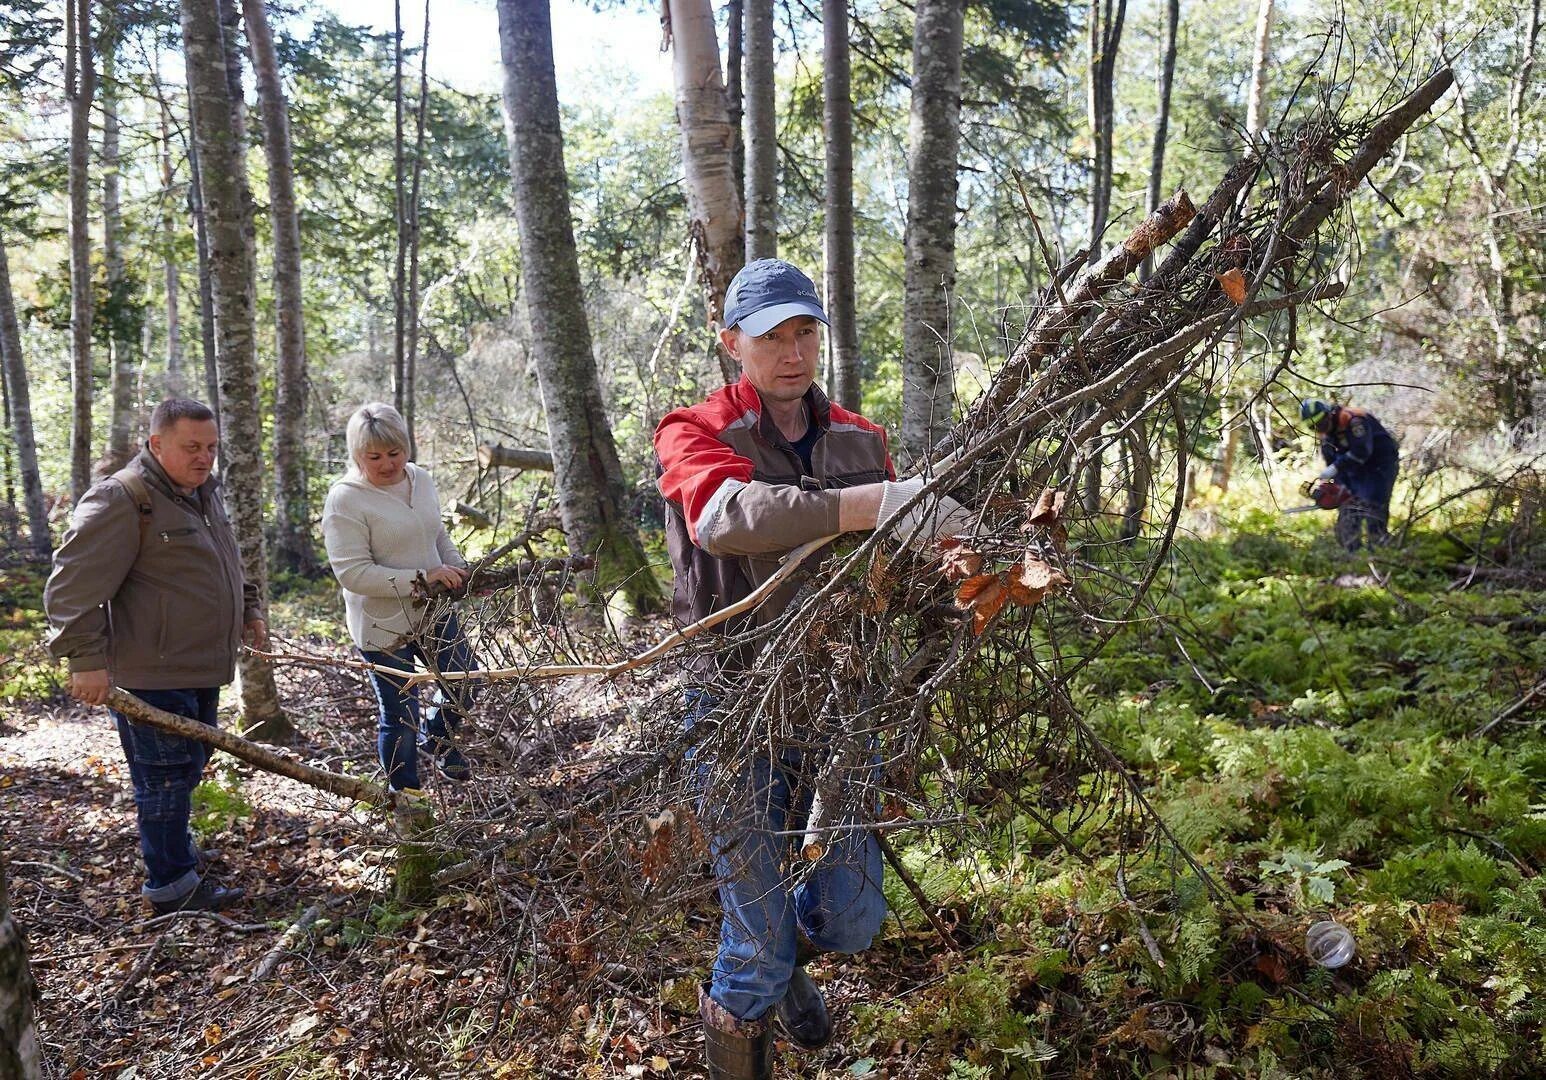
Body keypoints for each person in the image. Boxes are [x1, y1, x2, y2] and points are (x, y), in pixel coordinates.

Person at [655, 259, 970, 1079]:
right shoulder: (693, 431)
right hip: (732, 702)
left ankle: (792, 955)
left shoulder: (861, 439)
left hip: (837, 700)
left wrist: (957, 549)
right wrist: (867, 506)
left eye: (805, 332)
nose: (792, 352)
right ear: (733, 345)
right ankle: (764, 977)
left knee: (853, 919)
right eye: (770, 337)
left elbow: (896, 562)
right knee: (752, 949)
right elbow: (727, 520)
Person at [44, 398, 260, 915]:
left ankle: (174, 853)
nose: (204, 457)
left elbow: (225, 559)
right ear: (156, 442)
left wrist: (249, 607)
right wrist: (84, 660)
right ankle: (170, 886)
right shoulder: (123, 498)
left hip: (202, 666)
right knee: (162, 781)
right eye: (191, 447)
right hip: (151, 672)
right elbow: (71, 588)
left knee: (188, 768)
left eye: (211, 447)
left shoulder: (203, 492)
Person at [321, 403, 478, 792]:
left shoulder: (420, 479)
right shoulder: (345, 500)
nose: (388, 464)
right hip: (381, 625)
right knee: (400, 714)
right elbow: (353, 573)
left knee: (465, 679)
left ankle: (438, 738)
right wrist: (423, 577)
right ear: (357, 455)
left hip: (432, 610)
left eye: (395, 453)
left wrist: (458, 568)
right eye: (374, 457)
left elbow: (436, 534)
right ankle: (405, 798)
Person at [1300, 399, 1400, 551]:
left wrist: (1336, 467)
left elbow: (1362, 451)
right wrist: (1338, 488)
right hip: (1355, 469)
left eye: (1321, 424)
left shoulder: (1354, 420)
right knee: (1348, 509)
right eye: (1314, 427)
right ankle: (1352, 553)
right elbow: (1333, 465)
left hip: (1380, 465)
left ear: (1328, 415)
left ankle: (1380, 551)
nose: (1320, 429)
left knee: (1374, 506)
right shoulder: (1326, 437)